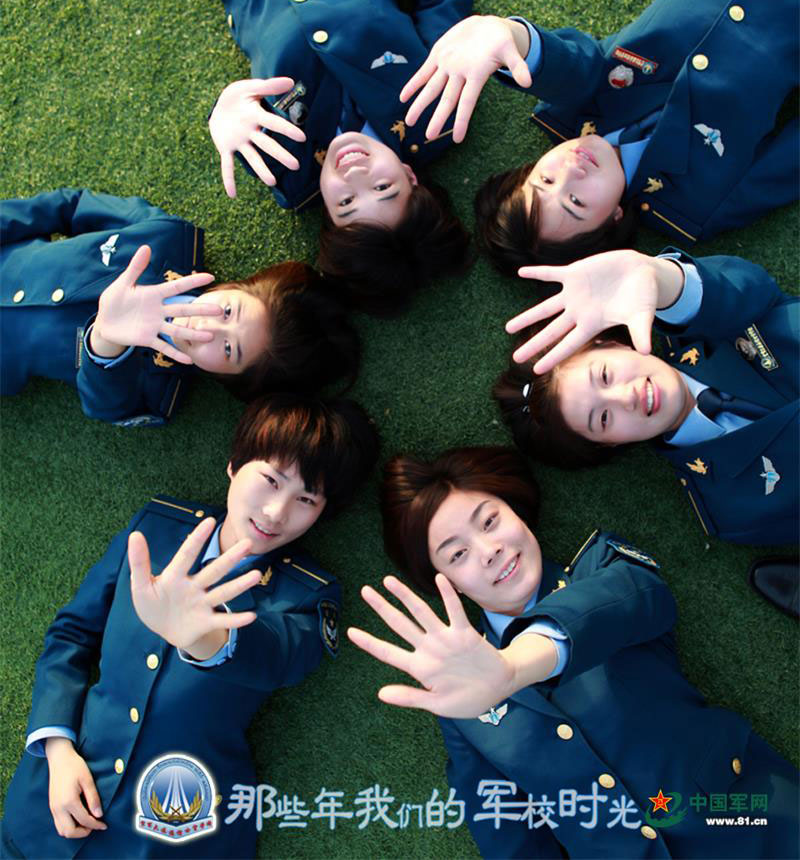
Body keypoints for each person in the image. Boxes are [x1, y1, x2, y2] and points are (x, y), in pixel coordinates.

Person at [347, 445, 800, 859]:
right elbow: (508, 833)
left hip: (751, 822)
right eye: (457, 555)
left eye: (489, 521)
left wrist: (512, 667)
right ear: (446, 582)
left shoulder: (602, 565)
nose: (488, 551)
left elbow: (636, 599)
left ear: (517, 510)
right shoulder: (459, 699)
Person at [1, 392, 379, 858]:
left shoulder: (307, 594)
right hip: (47, 807)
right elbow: (71, 635)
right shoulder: (156, 527)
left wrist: (205, 637)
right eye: (270, 479)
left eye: (306, 498)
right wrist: (57, 749)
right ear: (234, 464)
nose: (276, 512)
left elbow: (279, 658)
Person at [397, 0, 799, 273]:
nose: (571, 171)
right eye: (575, 202)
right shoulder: (696, 204)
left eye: (545, 180)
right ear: (613, 219)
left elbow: (564, 66)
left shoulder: (575, 108)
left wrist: (505, 35)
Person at [185, 0, 474, 314]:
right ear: (411, 177)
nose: (355, 176)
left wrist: (225, 111)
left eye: (346, 204)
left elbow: (234, 113)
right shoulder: (435, 110)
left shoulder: (287, 168)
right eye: (383, 188)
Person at [493, 247, 798, 614]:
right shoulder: (732, 510)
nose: (626, 397)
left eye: (605, 375)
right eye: (602, 419)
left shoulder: (708, 320)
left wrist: (657, 276)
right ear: (609, 444)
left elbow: (741, 289)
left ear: (611, 343)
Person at [1, 188, 359, 425]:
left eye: (229, 349)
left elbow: (104, 407)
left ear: (230, 378)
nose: (208, 328)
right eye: (229, 311)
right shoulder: (167, 237)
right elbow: (71, 206)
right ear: (234, 287)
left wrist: (105, 341)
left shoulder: (160, 391)